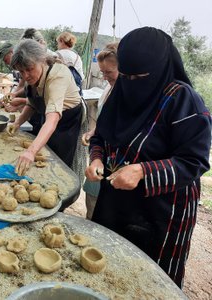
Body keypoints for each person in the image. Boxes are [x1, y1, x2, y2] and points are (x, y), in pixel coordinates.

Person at [85, 27, 211, 287]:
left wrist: (143, 171)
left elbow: (194, 161)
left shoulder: (183, 101)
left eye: (139, 76)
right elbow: (101, 136)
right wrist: (97, 159)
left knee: (150, 278)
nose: (131, 83)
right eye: (126, 75)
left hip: (162, 210)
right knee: (110, 267)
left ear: (159, 68)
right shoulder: (122, 90)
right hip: (117, 198)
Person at [7, 40, 83, 185]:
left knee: (58, 165)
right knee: (42, 155)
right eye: (21, 72)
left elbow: (52, 120)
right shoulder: (34, 74)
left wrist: (30, 151)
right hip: (49, 120)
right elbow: (33, 103)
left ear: (41, 60)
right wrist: (17, 123)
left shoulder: (57, 76)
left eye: (29, 69)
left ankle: (58, 194)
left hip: (67, 123)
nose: (26, 76)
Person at [81, 43, 119, 219]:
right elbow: (104, 121)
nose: (104, 77)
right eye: (102, 72)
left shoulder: (129, 94)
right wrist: (93, 132)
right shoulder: (109, 88)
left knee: (104, 213)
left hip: (113, 163)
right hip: (99, 157)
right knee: (92, 206)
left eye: (108, 72)